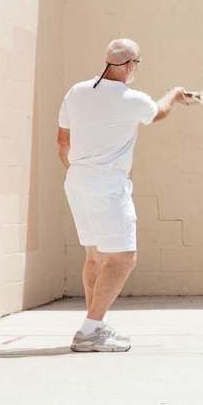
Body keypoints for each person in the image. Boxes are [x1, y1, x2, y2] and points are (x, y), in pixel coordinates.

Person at [56, 38, 189, 352]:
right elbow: (158, 113)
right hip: (107, 187)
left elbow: (62, 142)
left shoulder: (76, 92)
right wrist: (175, 94)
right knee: (124, 257)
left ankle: (95, 326)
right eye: (137, 64)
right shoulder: (133, 99)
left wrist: (81, 172)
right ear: (130, 65)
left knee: (95, 256)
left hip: (76, 181)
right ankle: (89, 331)